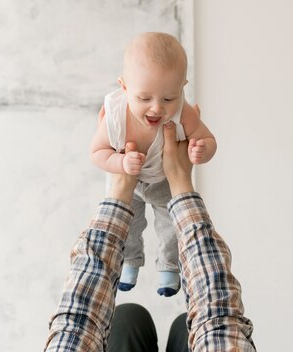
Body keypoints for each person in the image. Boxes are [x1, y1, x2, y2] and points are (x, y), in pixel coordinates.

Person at [46, 122, 255, 351]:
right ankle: (134, 264)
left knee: (126, 318)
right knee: (162, 322)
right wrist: (180, 180)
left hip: (153, 185)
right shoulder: (120, 110)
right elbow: (221, 323)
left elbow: (77, 326)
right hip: (159, 180)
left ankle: (166, 267)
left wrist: (119, 188)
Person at [90, 32, 217, 297]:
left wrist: (202, 150)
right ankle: (129, 263)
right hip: (128, 184)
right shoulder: (115, 115)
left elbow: (207, 138)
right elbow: (97, 153)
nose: (157, 108)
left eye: (168, 98)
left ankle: (170, 268)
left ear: (182, 87)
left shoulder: (184, 113)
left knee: (171, 225)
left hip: (164, 182)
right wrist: (121, 161)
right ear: (124, 87)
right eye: (144, 98)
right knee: (128, 224)